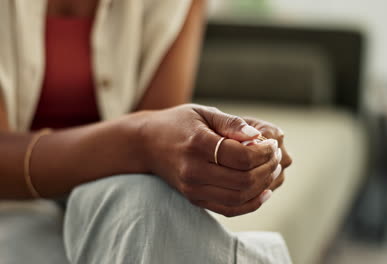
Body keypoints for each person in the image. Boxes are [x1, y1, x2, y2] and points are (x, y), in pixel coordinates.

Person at [0, 0, 293, 263]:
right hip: (9, 205)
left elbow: (160, 149)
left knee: (150, 202)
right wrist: (140, 140)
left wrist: (222, 149)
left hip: (115, 191)